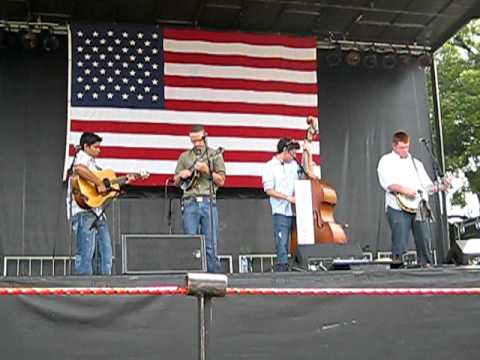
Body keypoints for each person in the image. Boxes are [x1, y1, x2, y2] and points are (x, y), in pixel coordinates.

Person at [67, 132, 133, 275]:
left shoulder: (94, 164)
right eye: (96, 147)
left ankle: (103, 285)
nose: (99, 150)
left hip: (97, 211)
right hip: (83, 211)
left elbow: (104, 187)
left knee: (105, 253)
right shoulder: (82, 157)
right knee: (86, 253)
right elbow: (78, 169)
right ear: (86, 146)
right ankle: (85, 288)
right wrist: (99, 183)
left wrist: (124, 180)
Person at [377, 130, 434, 266]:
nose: (405, 150)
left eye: (407, 147)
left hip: (418, 207)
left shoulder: (416, 163)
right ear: (394, 146)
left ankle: (426, 268)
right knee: (400, 241)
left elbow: (428, 185)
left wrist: (441, 186)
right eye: (402, 147)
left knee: (424, 239)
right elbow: (388, 184)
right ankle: (398, 270)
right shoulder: (386, 161)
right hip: (397, 207)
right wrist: (405, 190)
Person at [174, 125, 226, 273]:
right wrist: (180, 175)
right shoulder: (184, 157)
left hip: (208, 201)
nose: (196, 144)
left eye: (198, 140)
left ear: (205, 137)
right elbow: (176, 181)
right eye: (193, 141)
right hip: (190, 202)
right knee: (191, 244)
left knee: (211, 245)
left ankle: (214, 280)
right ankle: (193, 278)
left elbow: (221, 181)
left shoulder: (214, 155)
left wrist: (207, 171)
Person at [262, 137, 302, 272]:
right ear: (285, 151)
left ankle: (299, 268)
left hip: (296, 211)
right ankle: (283, 271)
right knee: (282, 244)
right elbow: (269, 190)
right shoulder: (269, 166)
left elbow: (307, 172)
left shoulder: (294, 165)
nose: (295, 155)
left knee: (300, 243)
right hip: (281, 211)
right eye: (292, 152)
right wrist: (288, 198)